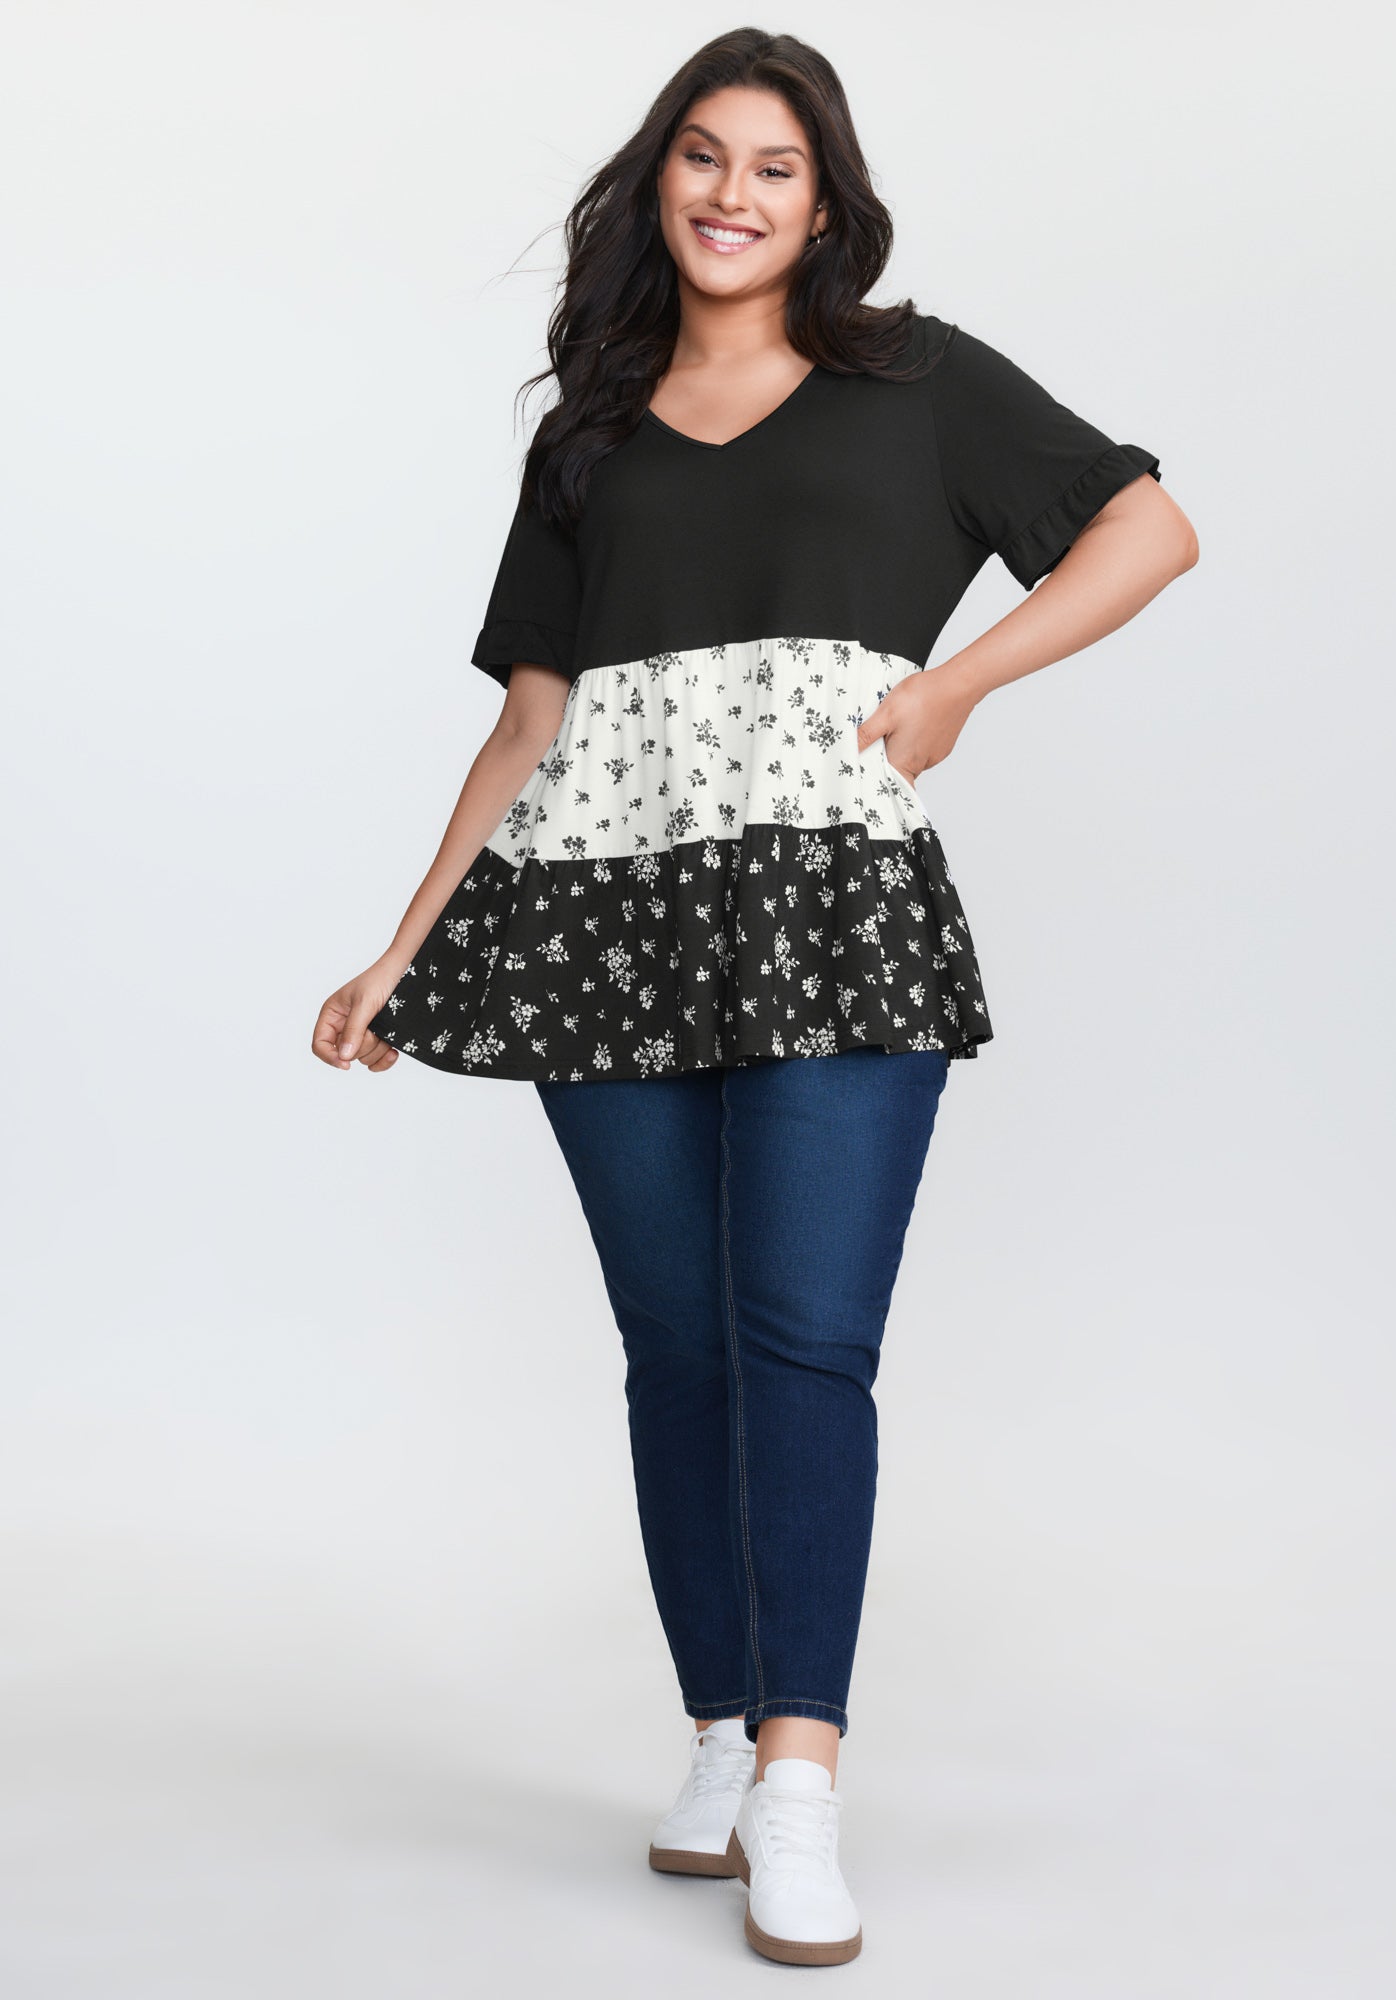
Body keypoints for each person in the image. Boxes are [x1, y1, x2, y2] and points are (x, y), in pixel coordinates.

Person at [311, 26, 1197, 1969]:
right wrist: (404, 945)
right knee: (676, 1348)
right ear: (660, 181)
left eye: (774, 166)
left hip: (829, 910)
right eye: (703, 156)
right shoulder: (590, 433)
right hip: (598, 915)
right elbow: (532, 719)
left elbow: (1150, 524)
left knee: (804, 1339)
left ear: (824, 200)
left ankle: (803, 1772)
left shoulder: (917, 379)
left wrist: (958, 685)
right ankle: (719, 1726)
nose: (732, 192)